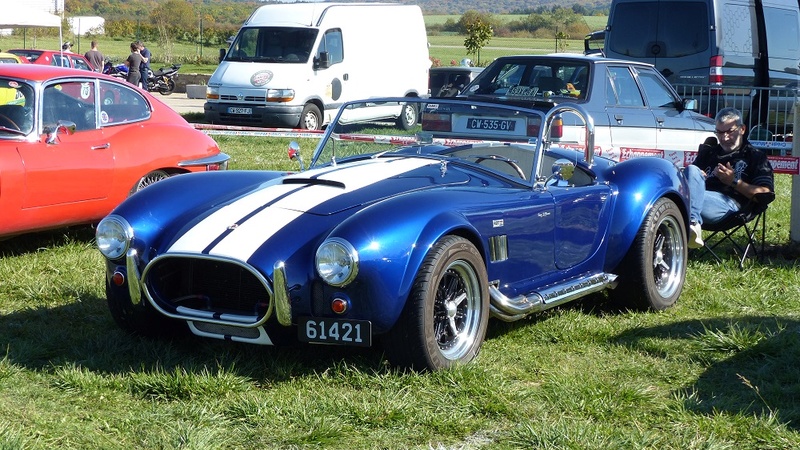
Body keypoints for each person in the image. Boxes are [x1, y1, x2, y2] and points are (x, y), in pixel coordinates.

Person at [685, 107, 774, 248]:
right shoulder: (708, 153)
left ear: (742, 129)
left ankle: (690, 226)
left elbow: (765, 194)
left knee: (677, 201)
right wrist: (695, 179)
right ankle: (692, 225)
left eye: (729, 132)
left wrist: (734, 182)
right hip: (698, 200)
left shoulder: (755, 157)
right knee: (691, 170)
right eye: (719, 133)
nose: (724, 138)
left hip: (729, 207)